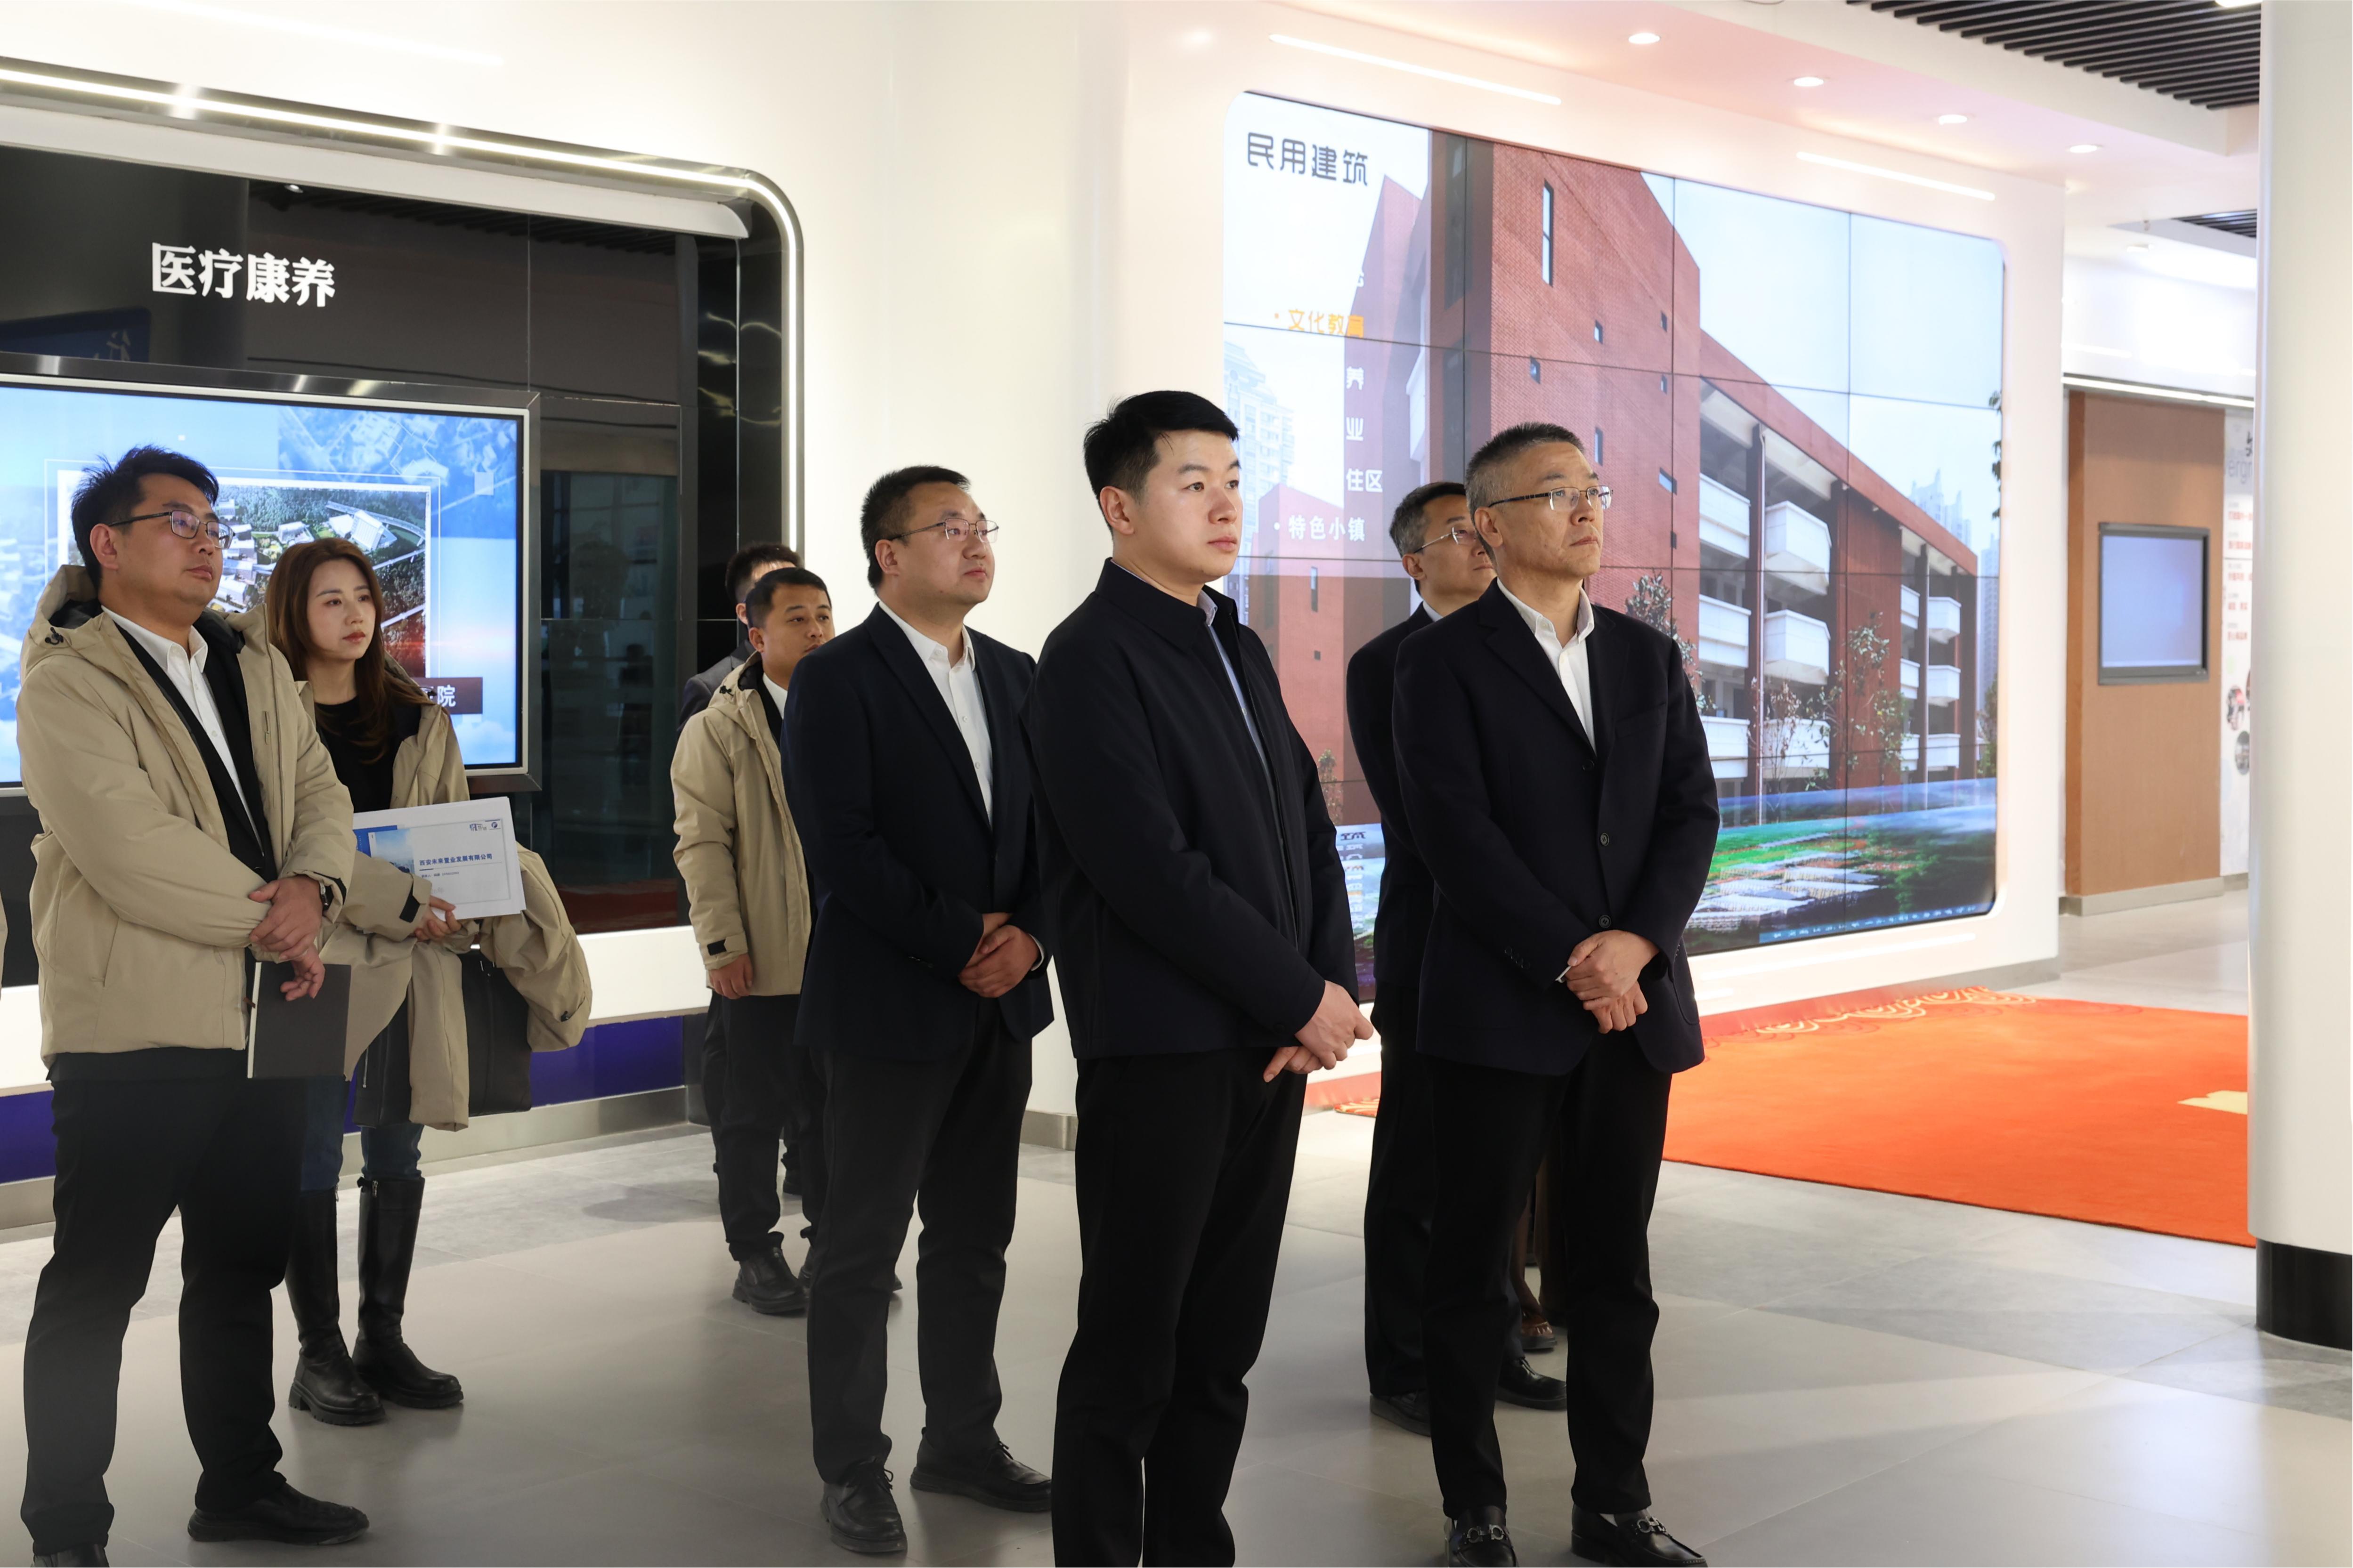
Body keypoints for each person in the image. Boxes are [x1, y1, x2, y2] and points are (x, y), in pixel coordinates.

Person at [1026, 392, 1370, 1567]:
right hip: (1162, 1046)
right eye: (1192, 482)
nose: (1226, 503)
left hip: (1267, 1044)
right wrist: (1297, 998)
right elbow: (1147, 870)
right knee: (1131, 1344)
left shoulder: (1236, 641)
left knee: (1221, 1343)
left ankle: (1191, 1549)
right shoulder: (1087, 659)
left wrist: (1325, 985)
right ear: (1120, 508)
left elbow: (1306, 829)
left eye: (1232, 478)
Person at [17, 447, 369, 1562]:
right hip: (138, 1024)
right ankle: (67, 1525)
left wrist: (316, 890)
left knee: (241, 1266)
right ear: (107, 544)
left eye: (214, 522)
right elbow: (128, 848)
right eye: (177, 520)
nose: (207, 539)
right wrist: (284, 922)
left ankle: (241, 1486)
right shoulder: (67, 678)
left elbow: (318, 794)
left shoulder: (248, 660)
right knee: (97, 1283)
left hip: (273, 1011)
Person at [1394, 424, 1718, 1568]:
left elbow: (1688, 813)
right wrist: (1573, 954)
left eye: (1592, 488)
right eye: (1554, 493)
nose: (1585, 509)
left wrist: (1634, 946)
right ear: (1487, 525)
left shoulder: (1644, 655)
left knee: (1614, 1269)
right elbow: (1453, 836)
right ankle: (1473, 1509)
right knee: (1473, 1268)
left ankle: (1613, 1505)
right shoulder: (1438, 663)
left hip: (1630, 1009)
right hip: (1501, 1008)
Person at [783, 468, 1055, 1554]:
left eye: (982, 526)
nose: (976, 543)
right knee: (859, 1251)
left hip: (1002, 1003)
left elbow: (1060, 830)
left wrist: (1031, 936)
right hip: (887, 1003)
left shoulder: (1019, 676)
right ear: (888, 555)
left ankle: (962, 1441)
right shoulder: (836, 678)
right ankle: (853, 1467)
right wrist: (961, 940)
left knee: (973, 1240)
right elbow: (841, 844)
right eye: (950, 528)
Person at [1347, 483, 1566, 1439]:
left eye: (1483, 526)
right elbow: (1424, 816)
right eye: (1455, 532)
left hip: (1530, 952)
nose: (1479, 542)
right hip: (1434, 949)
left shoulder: (1529, 648)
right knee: (1419, 1168)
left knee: (1501, 1169)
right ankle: (1403, 1362)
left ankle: (1493, 1342)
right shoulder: (1385, 664)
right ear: (1412, 562)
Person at [261, 539, 468, 1429]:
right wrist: (402, 899)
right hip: (312, 960)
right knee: (310, 1152)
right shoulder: (269, 720)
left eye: (363, 598)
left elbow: (453, 828)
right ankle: (320, 1353)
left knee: (396, 1149)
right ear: (292, 613)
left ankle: (382, 1337)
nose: (354, 616)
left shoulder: (419, 716)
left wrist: (456, 903)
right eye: (330, 600)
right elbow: (285, 852)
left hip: (409, 955)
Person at [672, 566, 831, 1317]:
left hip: (845, 956)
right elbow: (701, 843)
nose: (817, 629)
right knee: (751, 1111)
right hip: (762, 953)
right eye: (798, 618)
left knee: (837, 1109)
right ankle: (755, 1250)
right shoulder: (719, 725)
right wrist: (722, 945)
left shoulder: (852, 709)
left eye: (824, 614)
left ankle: (834, 1240)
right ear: (757, 635)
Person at [680, 540, 800, 1171]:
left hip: (811, 923)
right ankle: (739, 1168)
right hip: (750, 909)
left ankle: (804, 1164)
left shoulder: (833, 688)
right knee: (736, 1044)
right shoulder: (713, 695)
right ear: (747, 615)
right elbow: (700, 824)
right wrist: (722, 935)